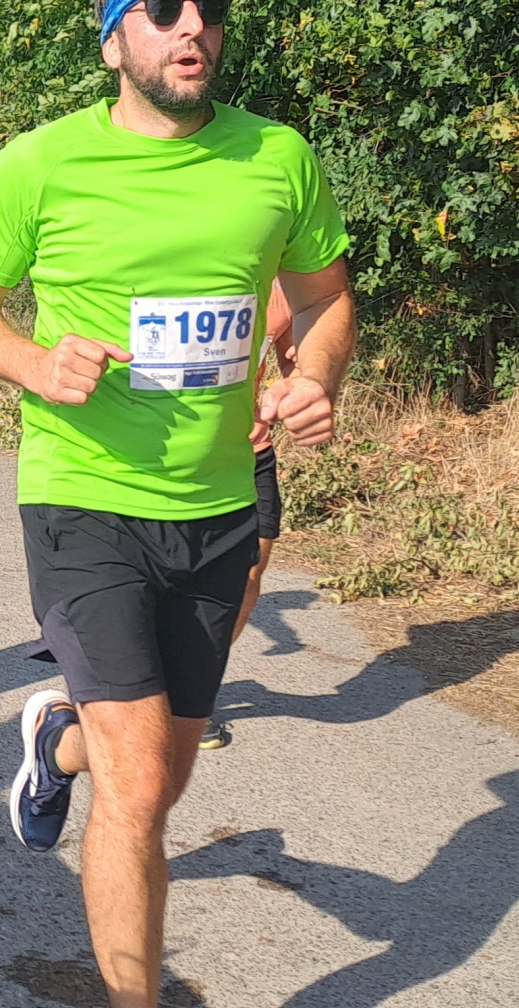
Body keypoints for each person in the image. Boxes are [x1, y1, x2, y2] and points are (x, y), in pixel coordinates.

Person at [0, 0, 355, 1008]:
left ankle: (54, 735)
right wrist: (35, 362)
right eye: (162, 9)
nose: (191, 28)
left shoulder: (277, 157)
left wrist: (314, 375)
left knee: (159, 780)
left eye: (206, 8)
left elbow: (321, 295)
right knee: (135, 787)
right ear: (113, 39)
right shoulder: (38, 165)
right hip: (83, 500)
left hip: (218, 506)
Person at [201, 279, 295, 748]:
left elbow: (298, 358)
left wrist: (304, 386)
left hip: (251, 450)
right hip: (180, 453)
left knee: (250, 574)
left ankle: (196, 687)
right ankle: (145, 686)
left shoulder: (288, 289)